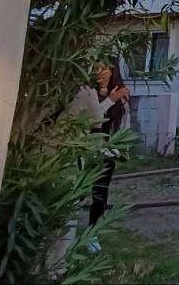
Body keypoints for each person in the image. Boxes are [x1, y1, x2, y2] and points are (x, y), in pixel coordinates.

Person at [69, 61, 130, 231]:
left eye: (104, 68)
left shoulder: (120, 94)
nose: (99, 72)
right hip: (83, 149)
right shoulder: (87, 92)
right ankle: (67, 230)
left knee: (100, 192)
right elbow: (90, 119)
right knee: (77, 192)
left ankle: (92, 232)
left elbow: (124, 123)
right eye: (96, 68)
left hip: (105, 151)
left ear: (112, 71)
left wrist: (120, 146)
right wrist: (110, 100)